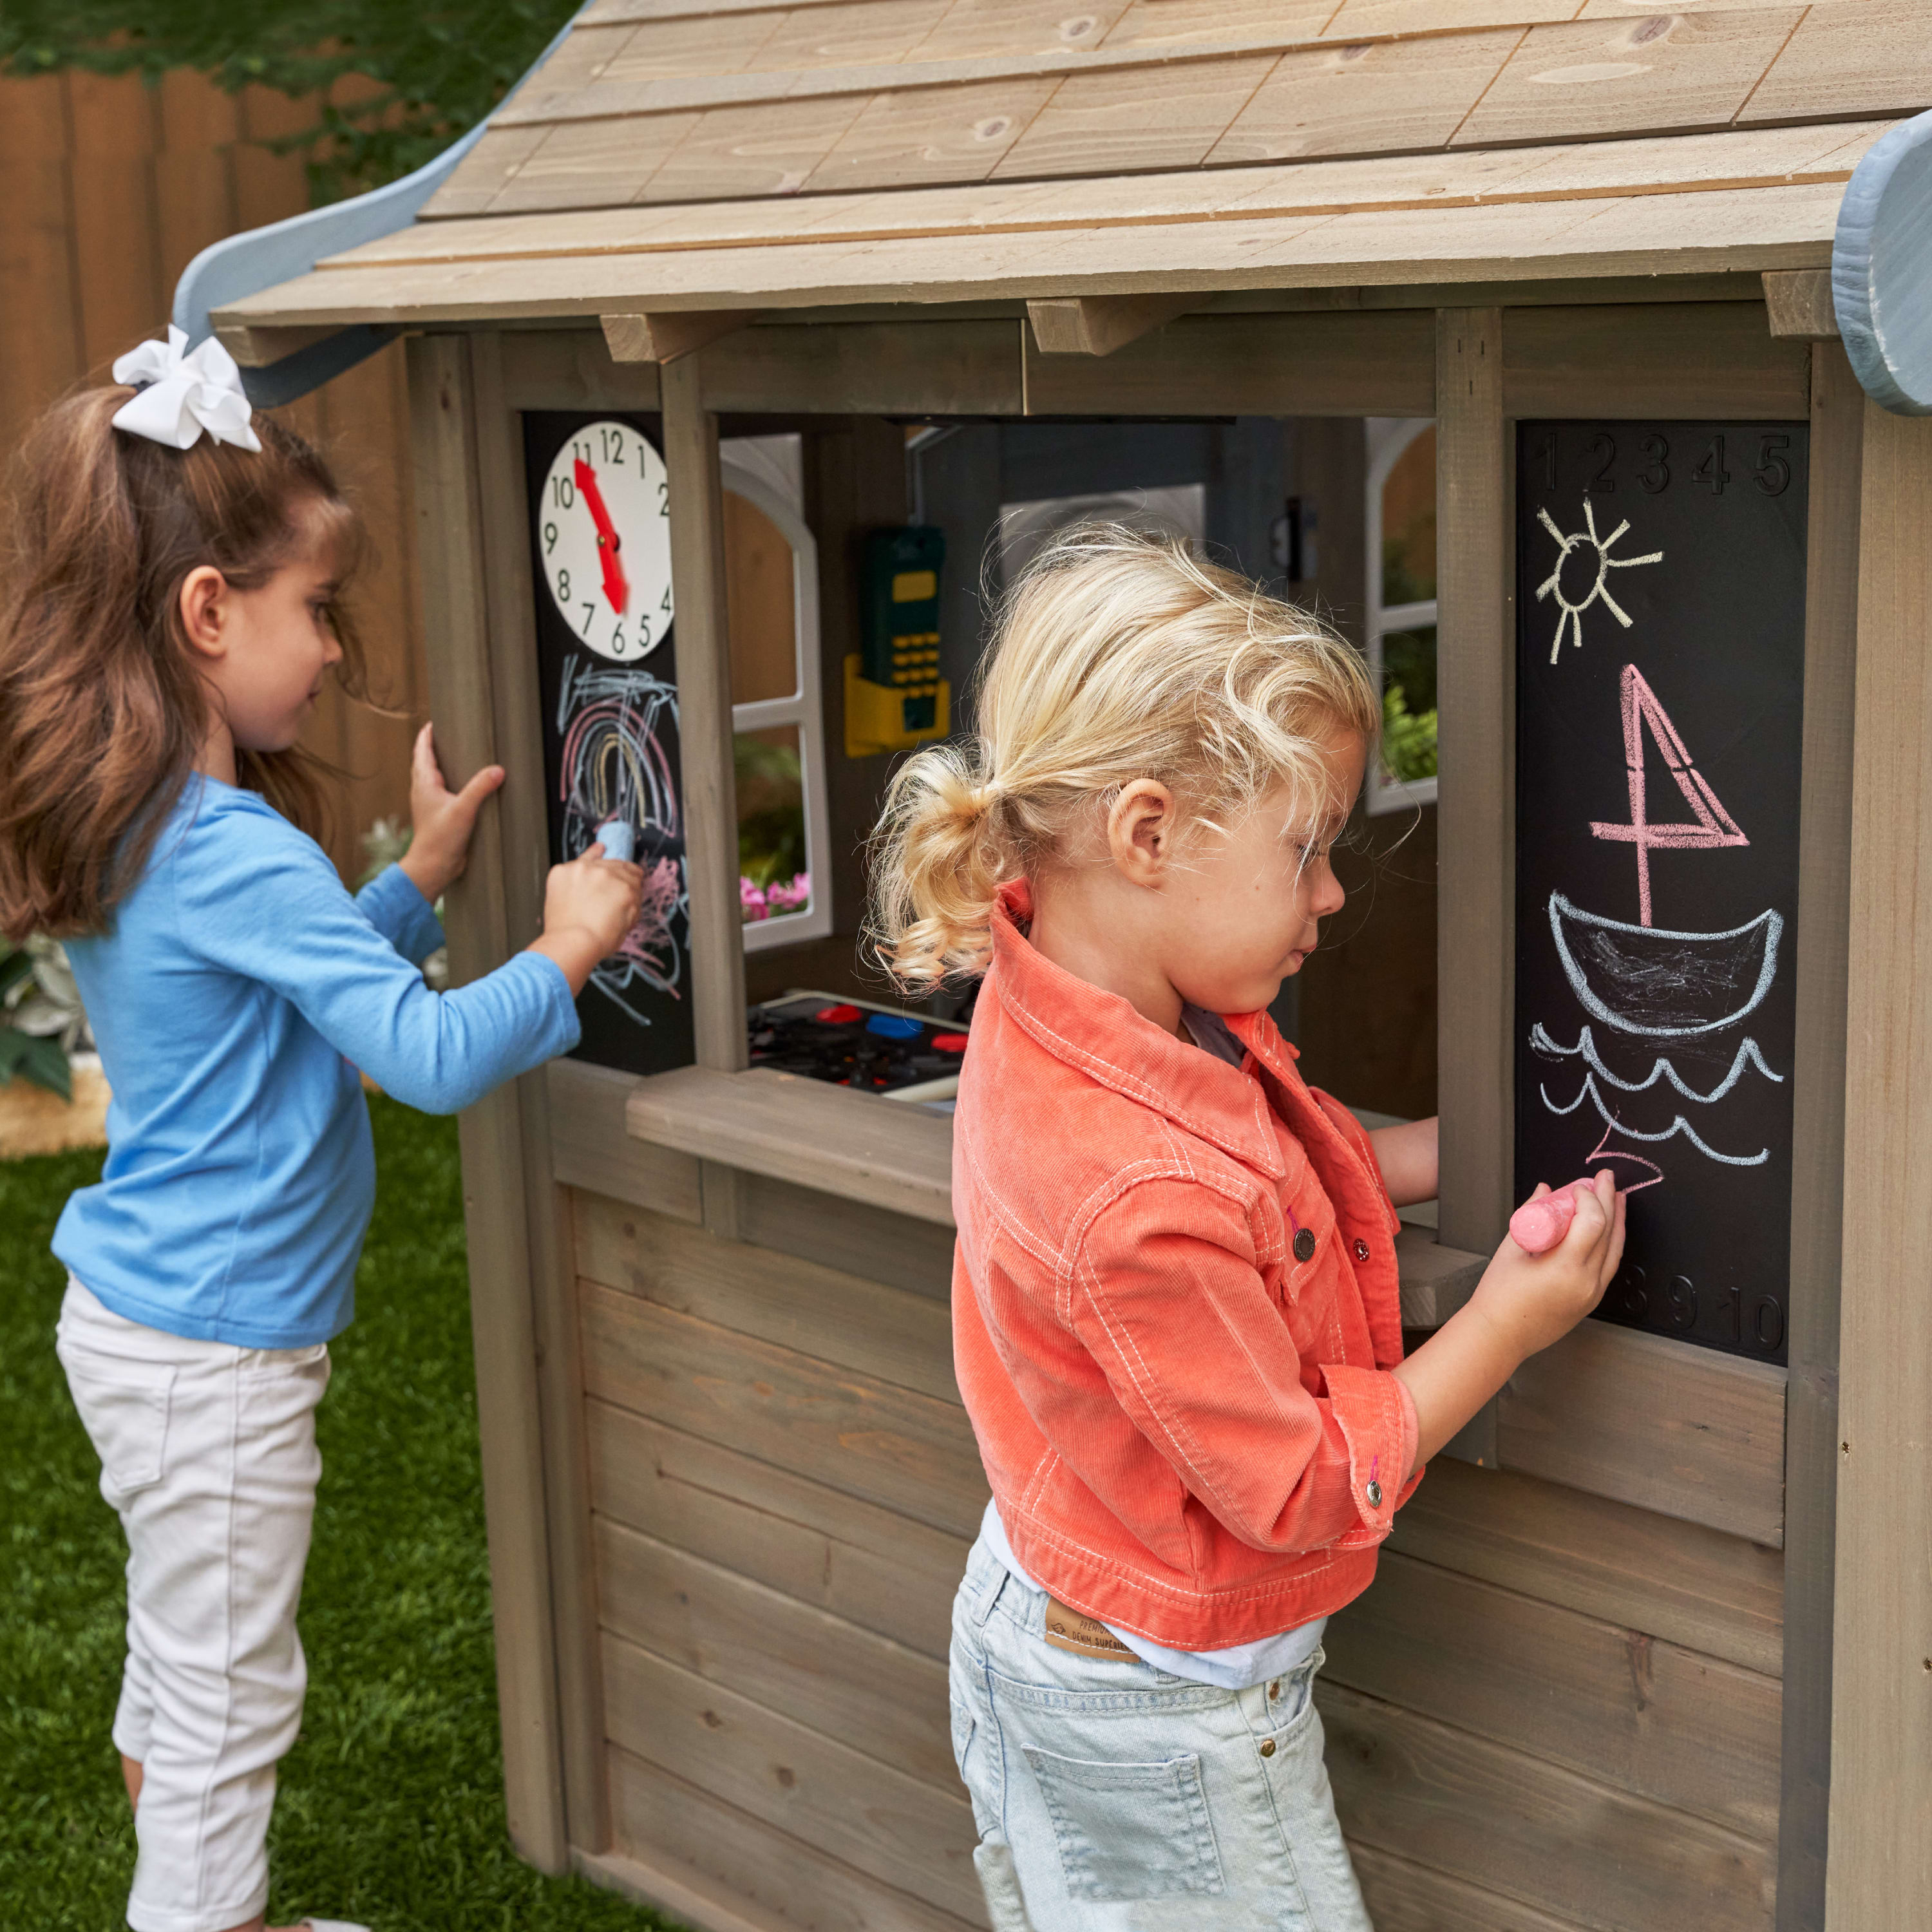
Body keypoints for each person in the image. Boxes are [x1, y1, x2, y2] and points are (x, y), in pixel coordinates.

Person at [869, 527, 1624, 1929]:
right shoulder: (1128, 1193)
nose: (1333, 894)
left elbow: (1272, 1165)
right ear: (1149, 834)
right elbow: (1297, 1491)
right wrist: (1511, 1320)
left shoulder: (1083, 993)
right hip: (1152, 1715)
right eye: (1307, 850)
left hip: (1073, 1625)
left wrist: (1427, 1158)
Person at [0, 331, 643, 1932]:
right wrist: (564, 948)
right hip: (214, 1354)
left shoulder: (149, 826)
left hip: (139, 1321)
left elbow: (275, 987)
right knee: (233, 1700)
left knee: (182, 1651)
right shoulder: (225, 846)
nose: (337, 656)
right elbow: (420, 1057)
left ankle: (209, 1906)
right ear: (209, 614)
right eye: (317, 613)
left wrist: (413, 883)